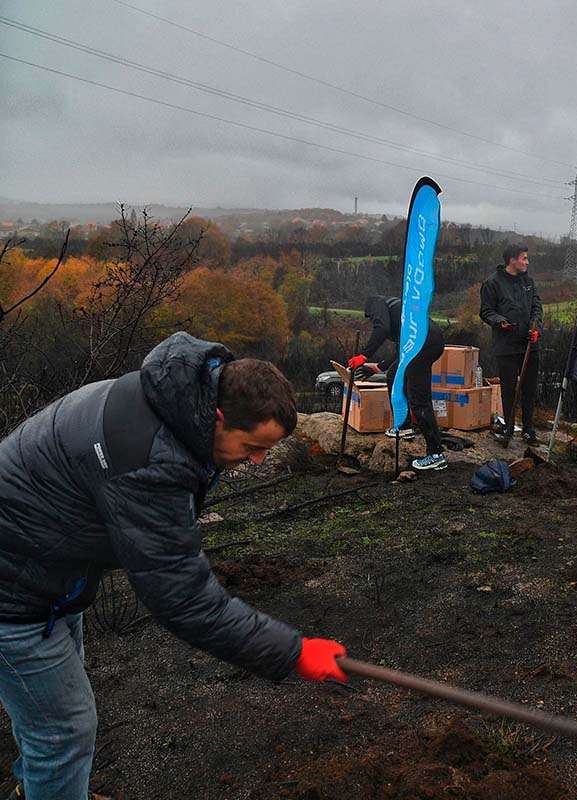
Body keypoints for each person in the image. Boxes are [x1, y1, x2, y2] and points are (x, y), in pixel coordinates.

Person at [0, 332, 346, 800]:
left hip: (50, 572)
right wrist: (294, 652)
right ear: (219, 417)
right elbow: (183, 598)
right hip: (14, 591)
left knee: (46, 719)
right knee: (64, 729)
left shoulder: (176, 394)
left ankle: (47, 788)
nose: (260, 460)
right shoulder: (147, 459)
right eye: (252, 446)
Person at [346, 296, 447, 471]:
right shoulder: (400, 313)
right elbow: (401, 351)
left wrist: (364, 355)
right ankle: (404, 425)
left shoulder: (377, 303)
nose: (372, 320)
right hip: (425, 341)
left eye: (370, 318)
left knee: (418, 399)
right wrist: (377, 368)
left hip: (424, 344)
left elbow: (382, 329)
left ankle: (435, 453)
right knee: (393, 375)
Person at [479, 245, 543, 445]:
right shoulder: (492, 283)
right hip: (506, 345)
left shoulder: (529, 282)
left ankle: (528, 428)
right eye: (524, 258)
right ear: (512, 260)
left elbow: (537, 308)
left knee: (530, 388)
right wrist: (500, 321)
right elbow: (486, 311)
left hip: (529, 345)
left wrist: (536, 329)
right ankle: (507, 426)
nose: (527, 262)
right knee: (508, 388)